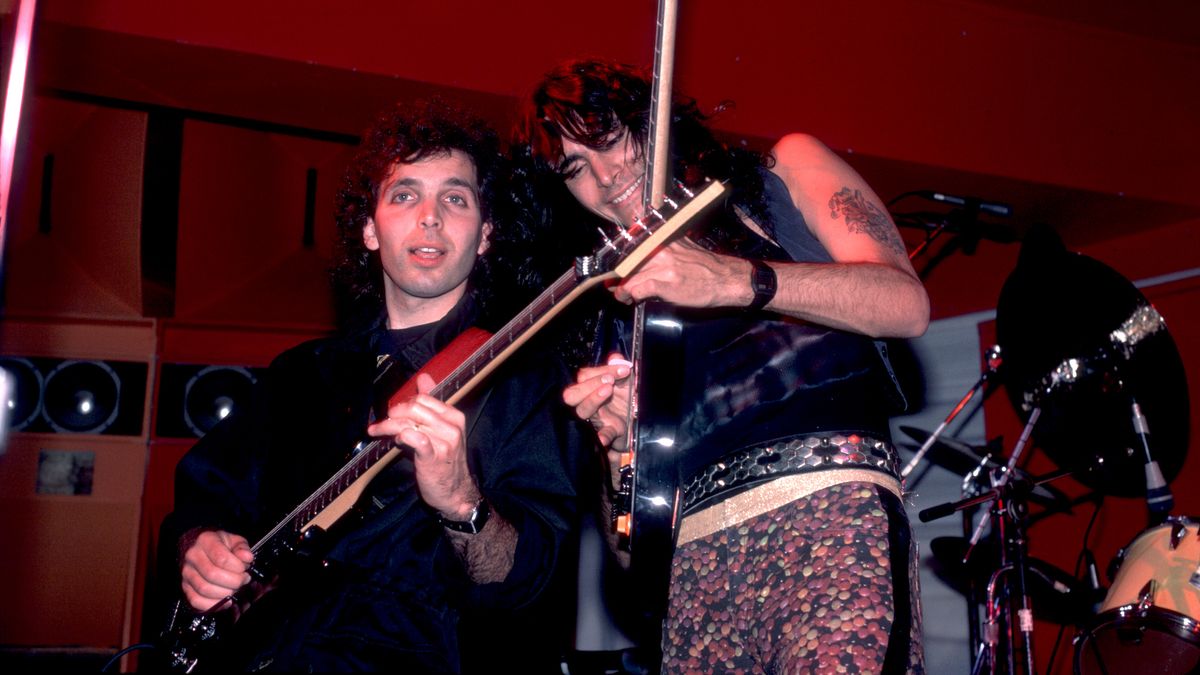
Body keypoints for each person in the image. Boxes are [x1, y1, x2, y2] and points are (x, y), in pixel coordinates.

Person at [516, 59, 929, 673]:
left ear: (648, 122)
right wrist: (614, 451)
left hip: (827, 519)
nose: (605, 177)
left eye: (609, 139)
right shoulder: (612, 314)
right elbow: (631, 558)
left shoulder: (780, 174)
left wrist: (735, 280)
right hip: (696, 572)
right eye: (575, 167)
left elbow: (906, 303)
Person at [156, 99, 585, 672]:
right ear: (369, 229)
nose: (429, 216)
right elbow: (206, 491)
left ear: (485, 235)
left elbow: (533, 584)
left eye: (455, 198)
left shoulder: (529, 381)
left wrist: (462, 503)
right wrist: (199, 545)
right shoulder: (300, 374)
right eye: (404, 194)